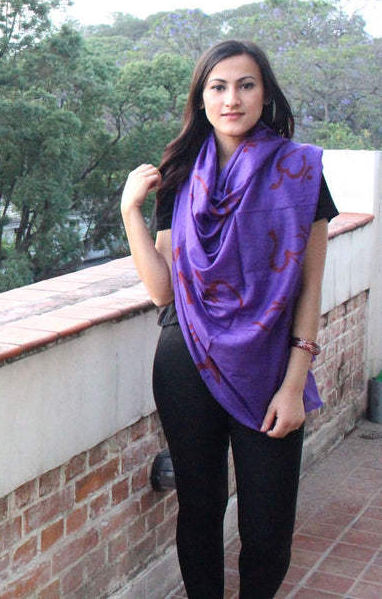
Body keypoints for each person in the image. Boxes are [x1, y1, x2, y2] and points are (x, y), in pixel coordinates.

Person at [120, 40, 338, 598]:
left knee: (267, 531)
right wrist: (129, 212)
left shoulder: (300, 171)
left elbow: (309, 286)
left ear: (265, 95)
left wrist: (294, 383)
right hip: (186, 357)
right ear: (201, 98)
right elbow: (163, 290)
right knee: (199, 509)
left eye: (245, 85)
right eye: (218, 87)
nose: (231, 99)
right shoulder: (179, 176)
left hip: (270, 366)